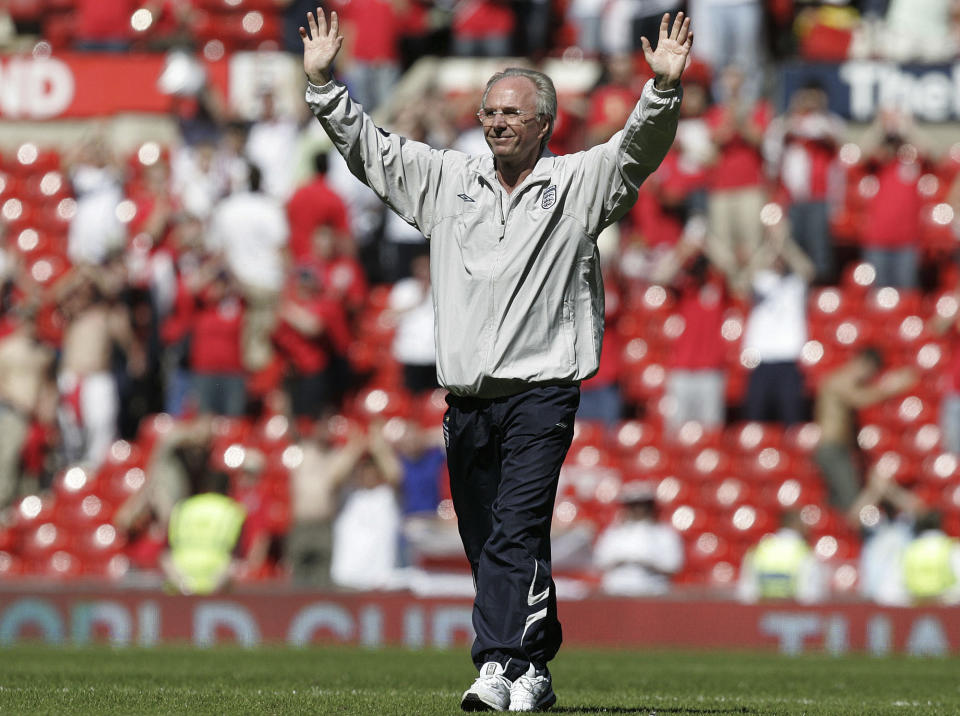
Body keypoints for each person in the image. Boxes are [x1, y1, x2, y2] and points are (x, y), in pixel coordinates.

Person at [299, 8, 691, 712]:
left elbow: (639, 148)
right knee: (492, 545)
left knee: (513, 530)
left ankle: (497, 667)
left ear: (545, 124)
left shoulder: (578, 186)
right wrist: (326, 85)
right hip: (468, 401)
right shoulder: (447, 183)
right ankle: (535, 662)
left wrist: (660, 91)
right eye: (489, 112)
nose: (497, 123)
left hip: (543, 393)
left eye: (512, 113)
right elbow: (371, 151)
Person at [812, 348, 916, 511]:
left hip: (840, 448)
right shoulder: (839, 380)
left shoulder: (843, 381)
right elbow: (861, 399)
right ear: (864, 364)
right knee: (852, 502)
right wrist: (892, 387)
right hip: (832, 448)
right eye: (871, 373)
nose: (869, 379)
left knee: (843, 502)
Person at [592, 481, 684, 596]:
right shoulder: (613, 533)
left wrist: (646, 563)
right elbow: (600, 562)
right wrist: (623, 561)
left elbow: (673, 566)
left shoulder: (665, 534)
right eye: (633, 505)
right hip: (617, 590)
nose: (638, 509)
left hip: (653, 589)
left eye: (643, 505)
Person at [736, 510, 828, 603]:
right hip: (793, 614)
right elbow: (810, 596)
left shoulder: (758, 550)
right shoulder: (805, 553)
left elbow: (746, 594)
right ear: (798, 525)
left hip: (763, 612)